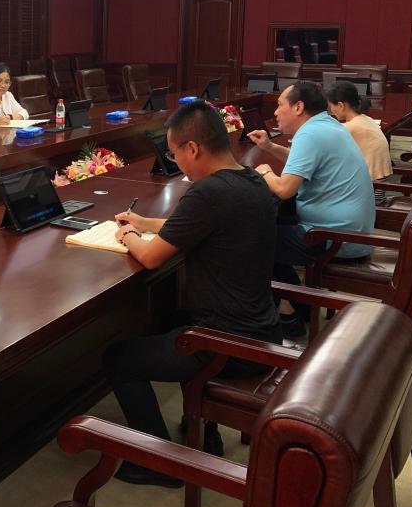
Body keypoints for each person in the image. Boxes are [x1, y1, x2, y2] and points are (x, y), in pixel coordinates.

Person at [104, 100, 282, 487]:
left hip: (225, 344)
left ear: (193, 148)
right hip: (261, 330)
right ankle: (206, 434)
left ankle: (156, 464)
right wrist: (145, 222)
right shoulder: (249, 178)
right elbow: (196, 224)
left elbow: (150, 257)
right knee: (171, 321)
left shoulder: (207, 192)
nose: (177, 163)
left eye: (174, 153)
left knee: (118, 358)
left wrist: (127, 233)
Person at [249, 81, 375, 338]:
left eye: (279, 105)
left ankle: (288, 315)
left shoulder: (310, 134)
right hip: (350, 231)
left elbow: (284, 189)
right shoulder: (326, 125)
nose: (275, 112)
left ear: (298, 107)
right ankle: (300, 303)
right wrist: (270, 147)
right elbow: (306, 162)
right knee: (268, 225)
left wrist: (264, 172)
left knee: (252, 239)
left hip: (335, 238)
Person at [326, 81, 393, 203]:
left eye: (331, 106)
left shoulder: (350, 127)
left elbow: (325, 145)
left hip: (370, 189)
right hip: (379, 181)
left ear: (340, 105)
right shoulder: (366, 119)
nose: (331, 111)